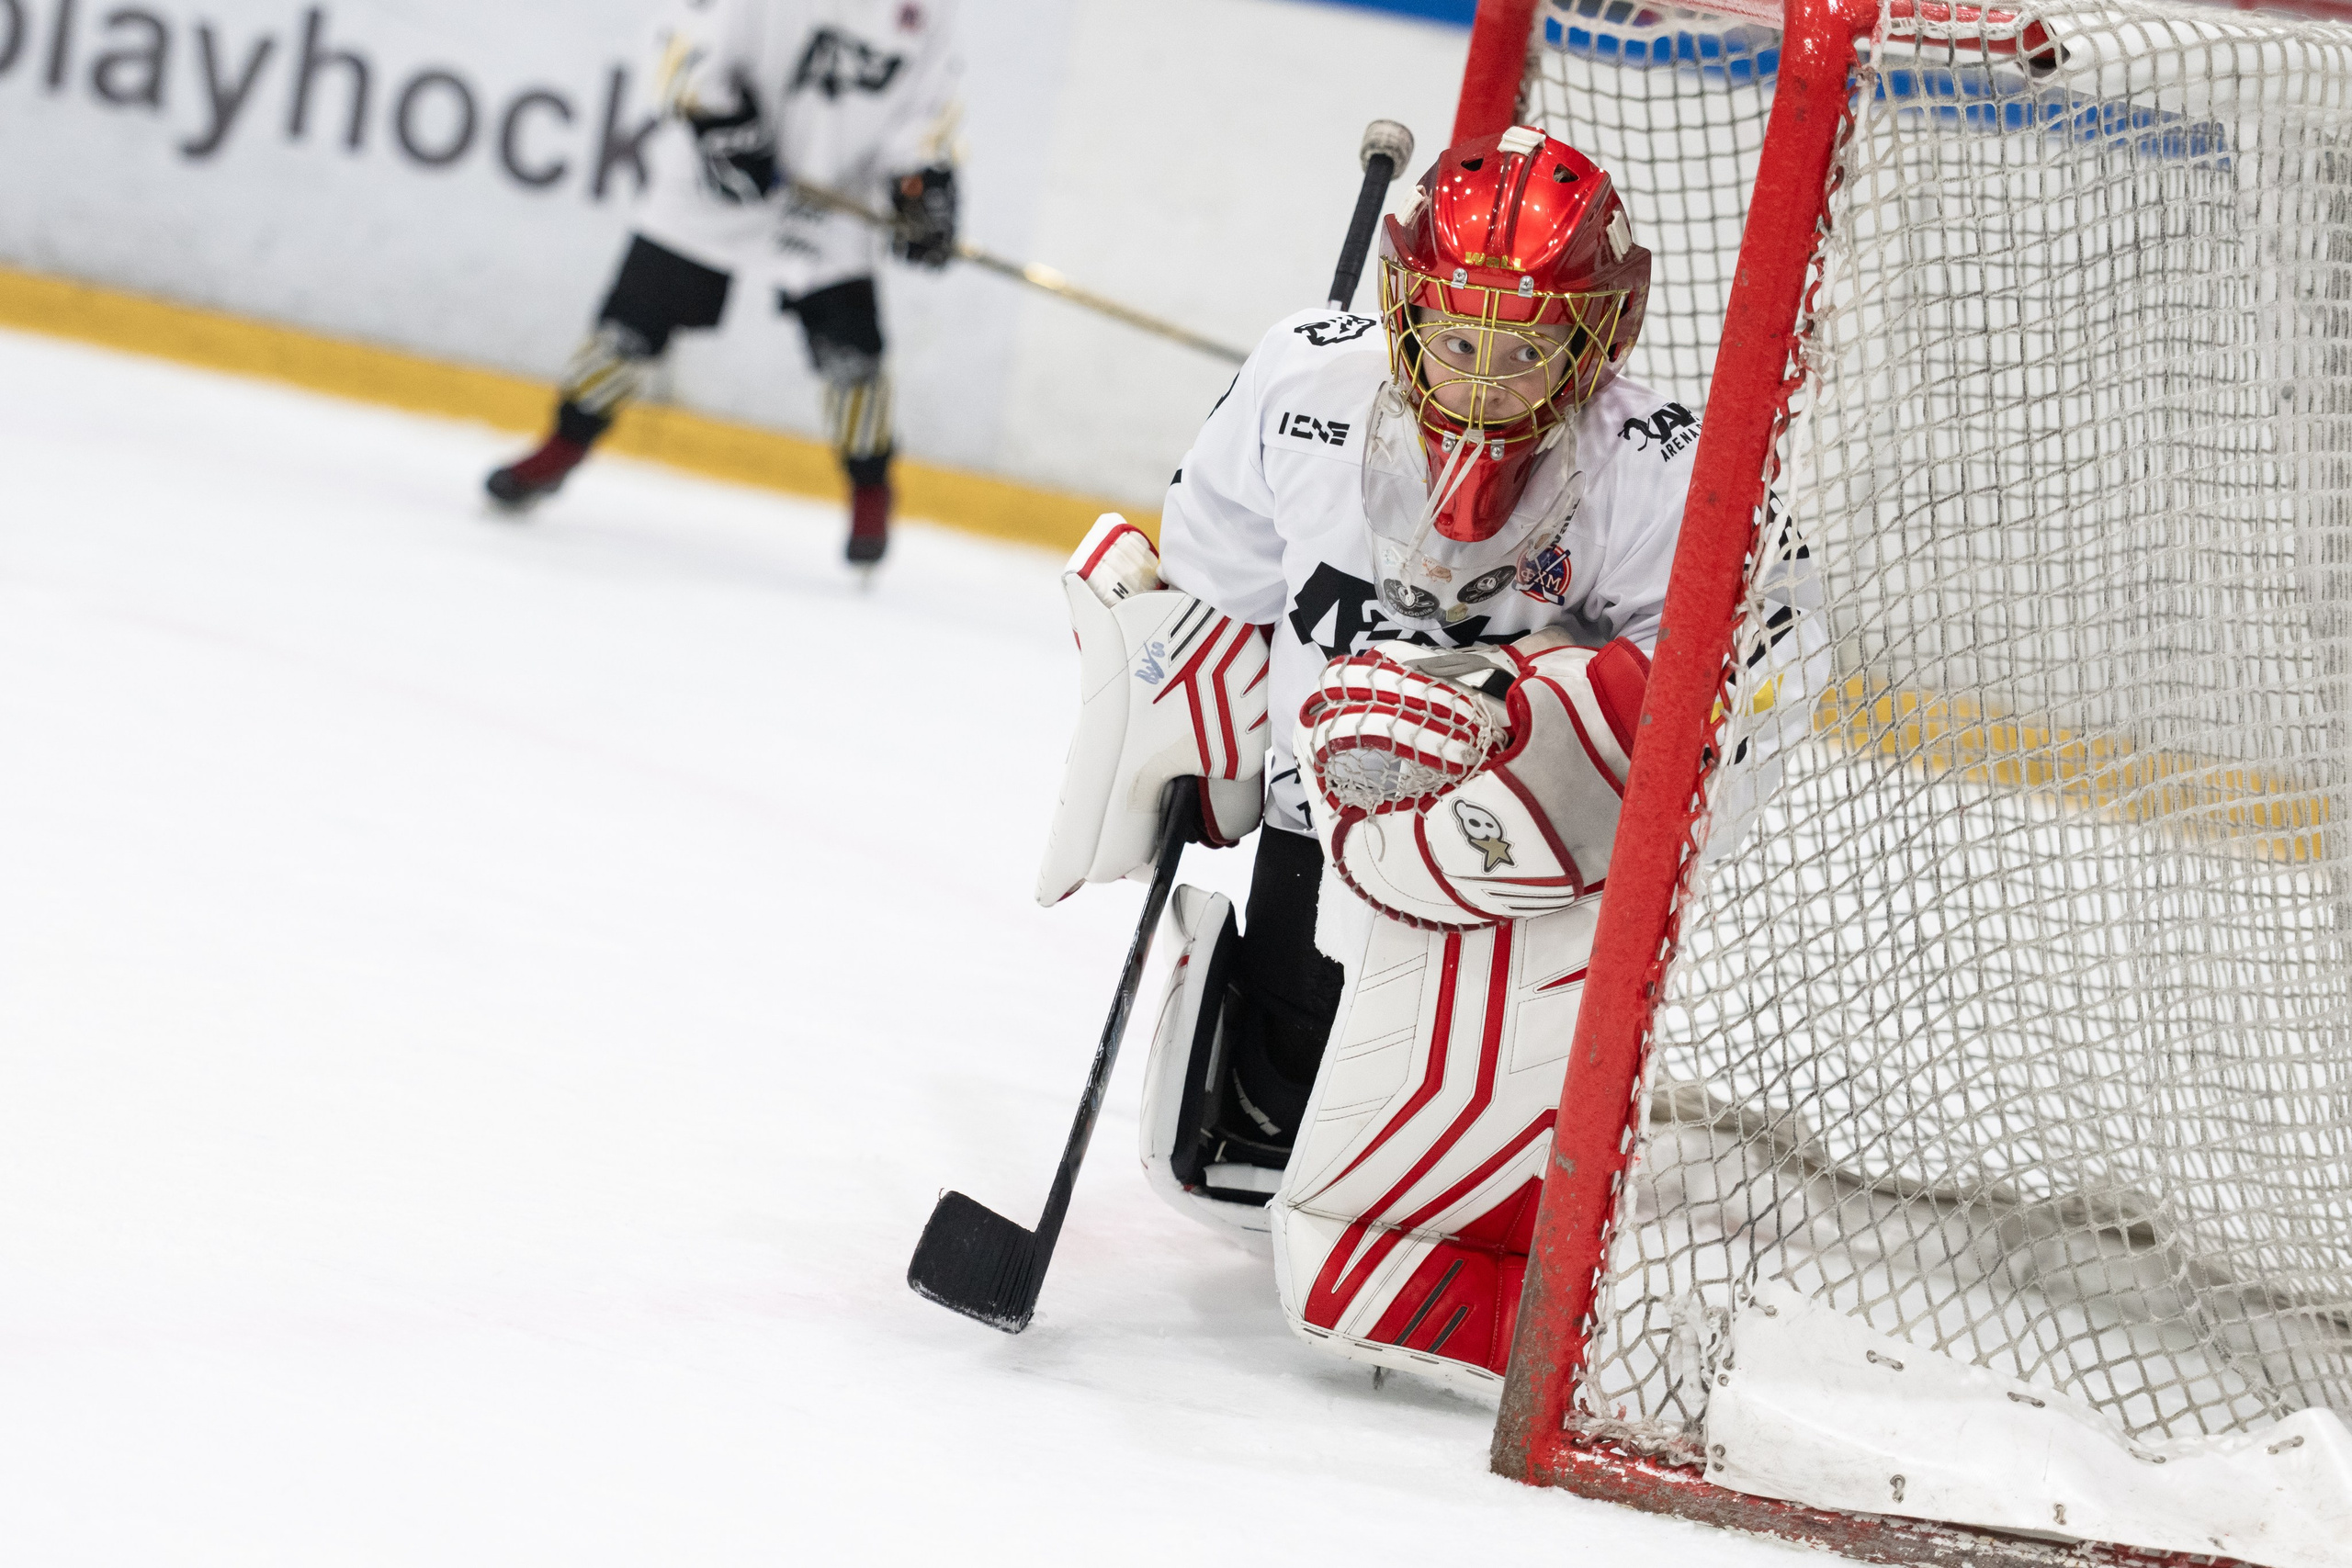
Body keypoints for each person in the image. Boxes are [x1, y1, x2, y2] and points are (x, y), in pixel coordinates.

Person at [1033, 126, 1817, 1387]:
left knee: (1446, 1135)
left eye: (1527, 349)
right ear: (1404, 308)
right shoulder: (1303, 385)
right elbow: (1220, 564)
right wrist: (1216, 732)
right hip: (1316, 826)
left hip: (1506, 880)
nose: (1483, 379)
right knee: (1287, 1108)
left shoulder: (1658, 465)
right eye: (1457, 338)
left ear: (1600, 339)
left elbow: (1760, 653)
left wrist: (1543, 712)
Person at [485, 0, 963, 570]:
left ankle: (871, 488)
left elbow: (927, 101)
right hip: (713, 176)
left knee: (851, 353)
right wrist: (718, 121)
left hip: (832, 186)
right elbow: (681, 35)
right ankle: (564, 443)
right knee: (632, 326)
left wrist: (922, 180)